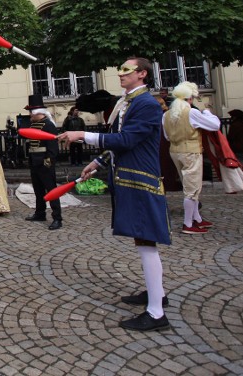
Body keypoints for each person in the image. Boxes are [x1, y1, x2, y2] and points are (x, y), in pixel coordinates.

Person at [59, 57, 171, 332]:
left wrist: (81, 134)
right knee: (142, 240)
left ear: (142, 74)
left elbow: (128, 140)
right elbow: (122, 145)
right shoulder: (132, 102)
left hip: (140, 181)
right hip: (129, 178)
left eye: (126, 70)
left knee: (146, 242)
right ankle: (156, 293)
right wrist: (98, 163)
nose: (120, 74)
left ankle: (156, 312)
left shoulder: (145, 104)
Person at [162, 82, 221, 234]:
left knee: (189, 185)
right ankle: (188, 223)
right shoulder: (191, 113)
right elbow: (215, 125)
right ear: (189, 99)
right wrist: (207, 113)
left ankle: (197, 218)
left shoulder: (166, 115)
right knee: (192, 188)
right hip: (191, 151)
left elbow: (167, 136)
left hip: (175, 150)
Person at [24, 96, 62, 230]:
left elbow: (53, 147)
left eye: (31, 112)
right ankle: (40, 213)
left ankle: (57, 218)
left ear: (37, 112)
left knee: (51, 191)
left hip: (45, 162)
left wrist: (49, 161)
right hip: (34, 161)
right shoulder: (33, 125)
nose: (29, 115)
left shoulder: (48, 125)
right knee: (38, 190)